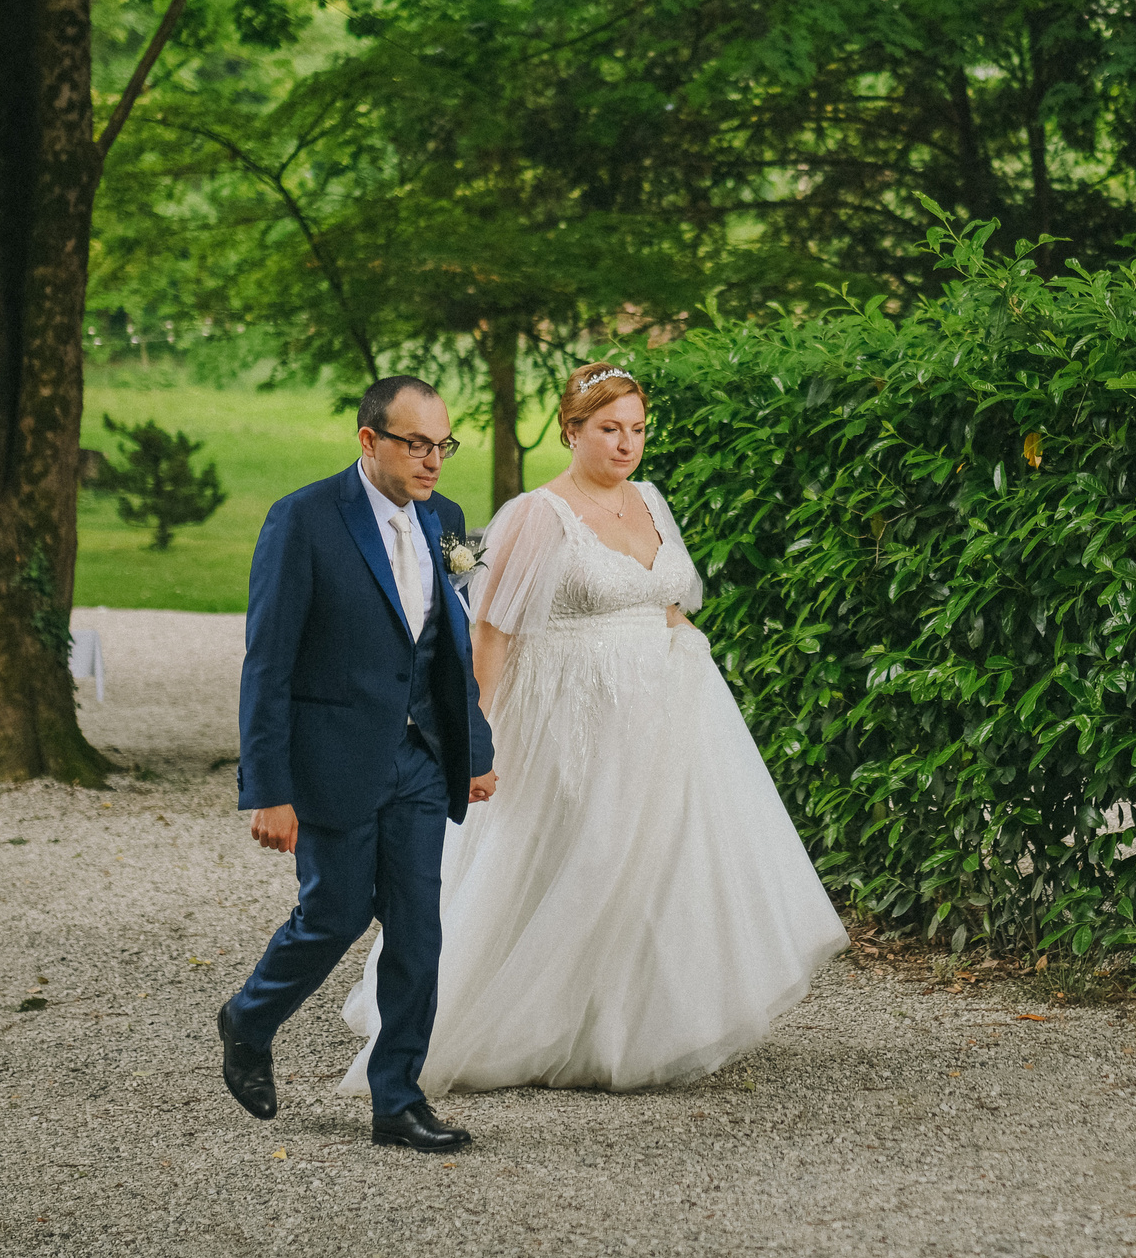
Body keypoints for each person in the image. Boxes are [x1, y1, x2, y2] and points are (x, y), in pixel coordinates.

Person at [338, 362, 844, 1095]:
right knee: (572, 854)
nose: (626, 444)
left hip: (666, 708)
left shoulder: (650, 500)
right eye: (610, 429)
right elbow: (492, 632)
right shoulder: (537, 515)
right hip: (568, 713)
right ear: (572, 430)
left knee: (661, 861)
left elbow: (670, 602)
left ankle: (627, 1021)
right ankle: (498, 1016)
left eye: (637, 429)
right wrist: (474, 736)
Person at [217, 375, 497, 1153]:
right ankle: (249, 1015)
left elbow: (448, 649)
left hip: (416, 761)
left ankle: (398, 1100)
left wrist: (472, 748)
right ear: (369, 440)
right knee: (333, 915)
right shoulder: (303, 520)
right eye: (417, 443)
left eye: (443, 443)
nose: (433, 459)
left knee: (418, 929)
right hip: (333, 759)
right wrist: (267, 789)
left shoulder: (445, 520)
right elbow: (266, 664)